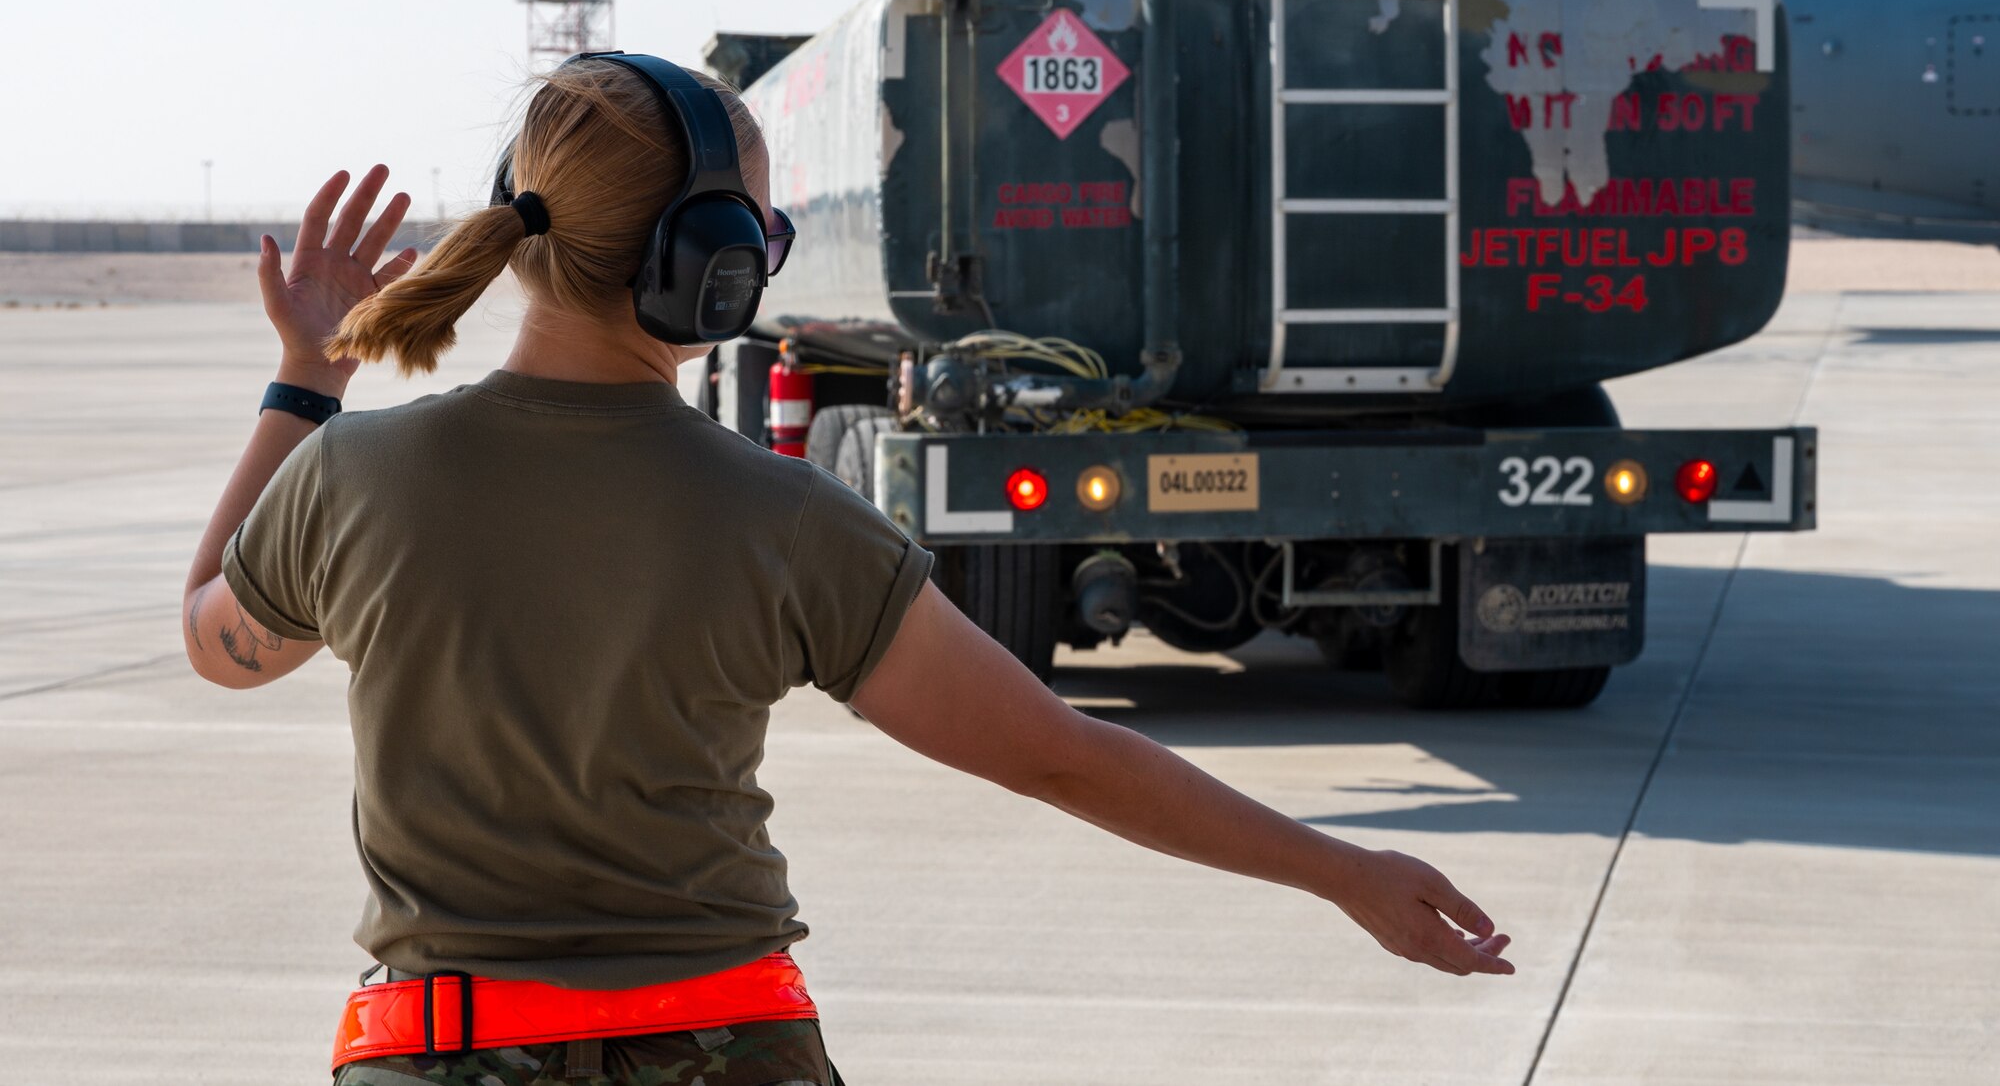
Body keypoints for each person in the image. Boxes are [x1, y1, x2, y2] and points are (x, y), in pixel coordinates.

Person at [182, 54, 1513, 1086]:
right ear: (712, 271)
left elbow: (213, 638)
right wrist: (1342, 871)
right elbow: (1058, 753)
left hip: (437, 1048)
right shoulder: (789, 522)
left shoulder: (355, 481)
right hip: (724, 1050)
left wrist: (306, 380)